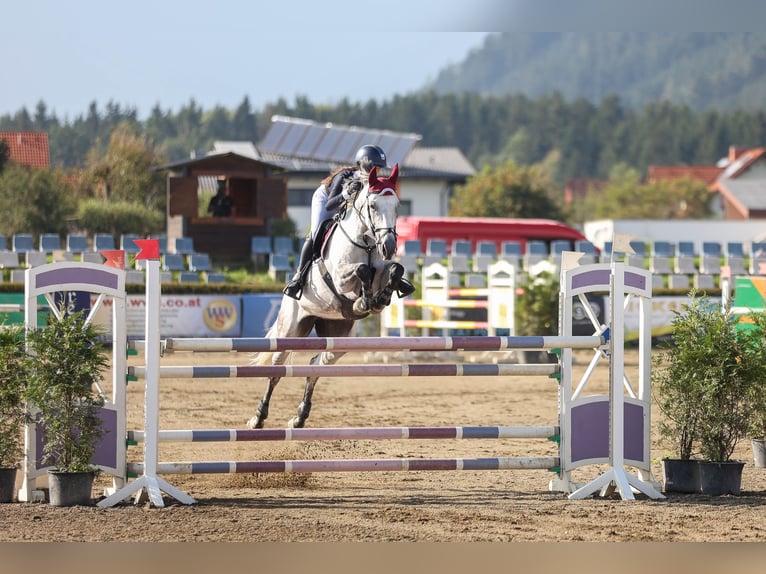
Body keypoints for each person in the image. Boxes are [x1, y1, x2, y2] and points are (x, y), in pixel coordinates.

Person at [283, 144, 415, 300]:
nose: (378, 171)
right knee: (317, 231)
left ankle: (392, 278)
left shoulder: (373, 183)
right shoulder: (345, 177)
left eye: (380, 168)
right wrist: (346, 193)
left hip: (348, 206)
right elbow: (330, 204)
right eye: (375, 167)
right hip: (327, 199)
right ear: (363, 164)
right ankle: (299, 277)